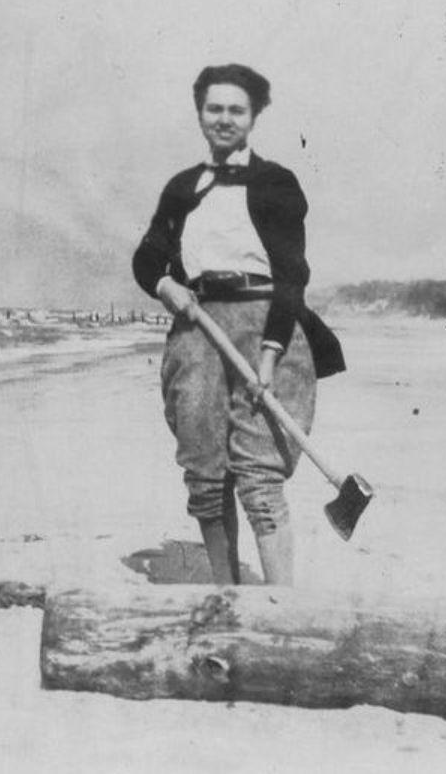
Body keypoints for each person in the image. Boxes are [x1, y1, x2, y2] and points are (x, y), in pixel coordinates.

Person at [132, 64, 343, 587]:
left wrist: (270, 355)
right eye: (214, 108)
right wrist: (164, 285)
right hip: (198, 332)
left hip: (267, 327)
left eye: (236, 110)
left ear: (253, 117)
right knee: (205, 476)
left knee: (259, 476)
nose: (224, 119)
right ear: (200, 114)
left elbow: (292, 276)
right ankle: (227, 597)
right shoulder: (183, 188)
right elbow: (147, 257)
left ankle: (279, 606)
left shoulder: (276, 183)